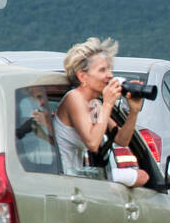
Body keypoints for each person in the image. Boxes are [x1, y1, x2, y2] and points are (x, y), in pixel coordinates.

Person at [54, 36, 148, 187]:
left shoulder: (93, 104)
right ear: (83, 76)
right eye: (102, 70)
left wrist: (134, 111)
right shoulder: (74, 98)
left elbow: (122, 140)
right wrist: (108, 104)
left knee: (142, 176)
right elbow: (92, 143)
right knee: (141, 176)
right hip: (66, 176)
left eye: (110, 70)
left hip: (77, 175)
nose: (110, 75)